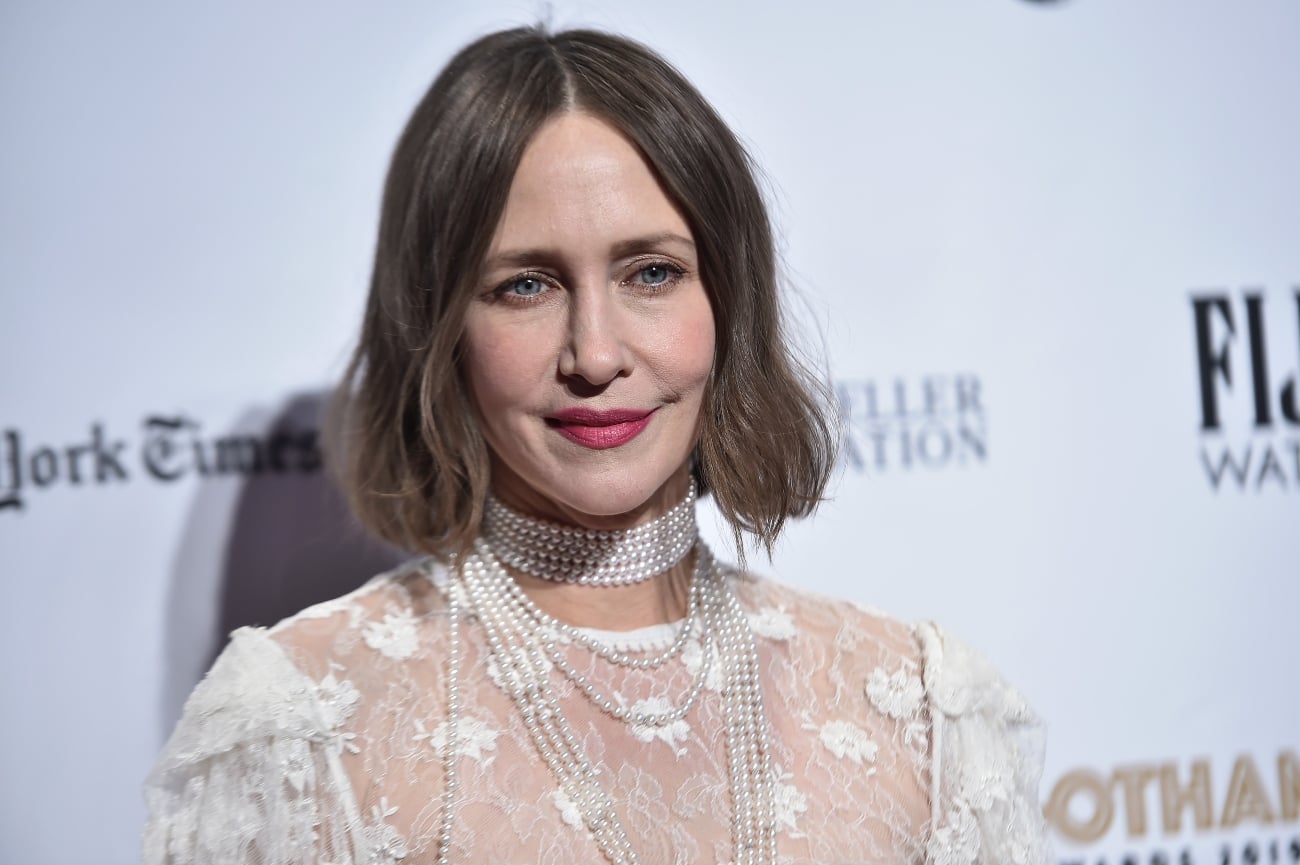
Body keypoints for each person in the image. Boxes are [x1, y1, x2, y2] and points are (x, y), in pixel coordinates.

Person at [143, 26, 1049, 865]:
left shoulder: (916, 707)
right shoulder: (304, 729)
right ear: (439, 329)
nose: (597, 354)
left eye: (651, 272)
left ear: (727, 301)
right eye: (525, 285)